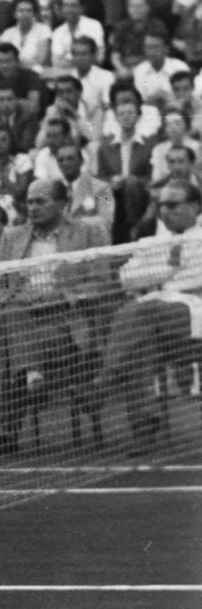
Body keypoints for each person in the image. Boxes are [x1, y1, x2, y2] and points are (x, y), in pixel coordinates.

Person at [0, 178, 112, 457]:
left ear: (63, 204)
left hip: (67, 321)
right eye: (29, 201)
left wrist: (62, 296)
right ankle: (32, 373)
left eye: (41, 201)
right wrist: (11, 300)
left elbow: (103, 283)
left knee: (13, 346)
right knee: (13, 319)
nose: (32, 207)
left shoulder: (89, 232)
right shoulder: (11, 237)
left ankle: (7, 431)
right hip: (22, 317)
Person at [96, 182, 202, 452]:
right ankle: (144, 427)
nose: (165, 211)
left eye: (172, 205)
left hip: (195, 313)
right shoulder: (152, 242)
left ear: (194, 207)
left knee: (139, 310)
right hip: (160, 318)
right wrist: (168, 270)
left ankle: (101, 385)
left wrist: (159, 276)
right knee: (141, 344)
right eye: (161, 205)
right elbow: (126, 277)